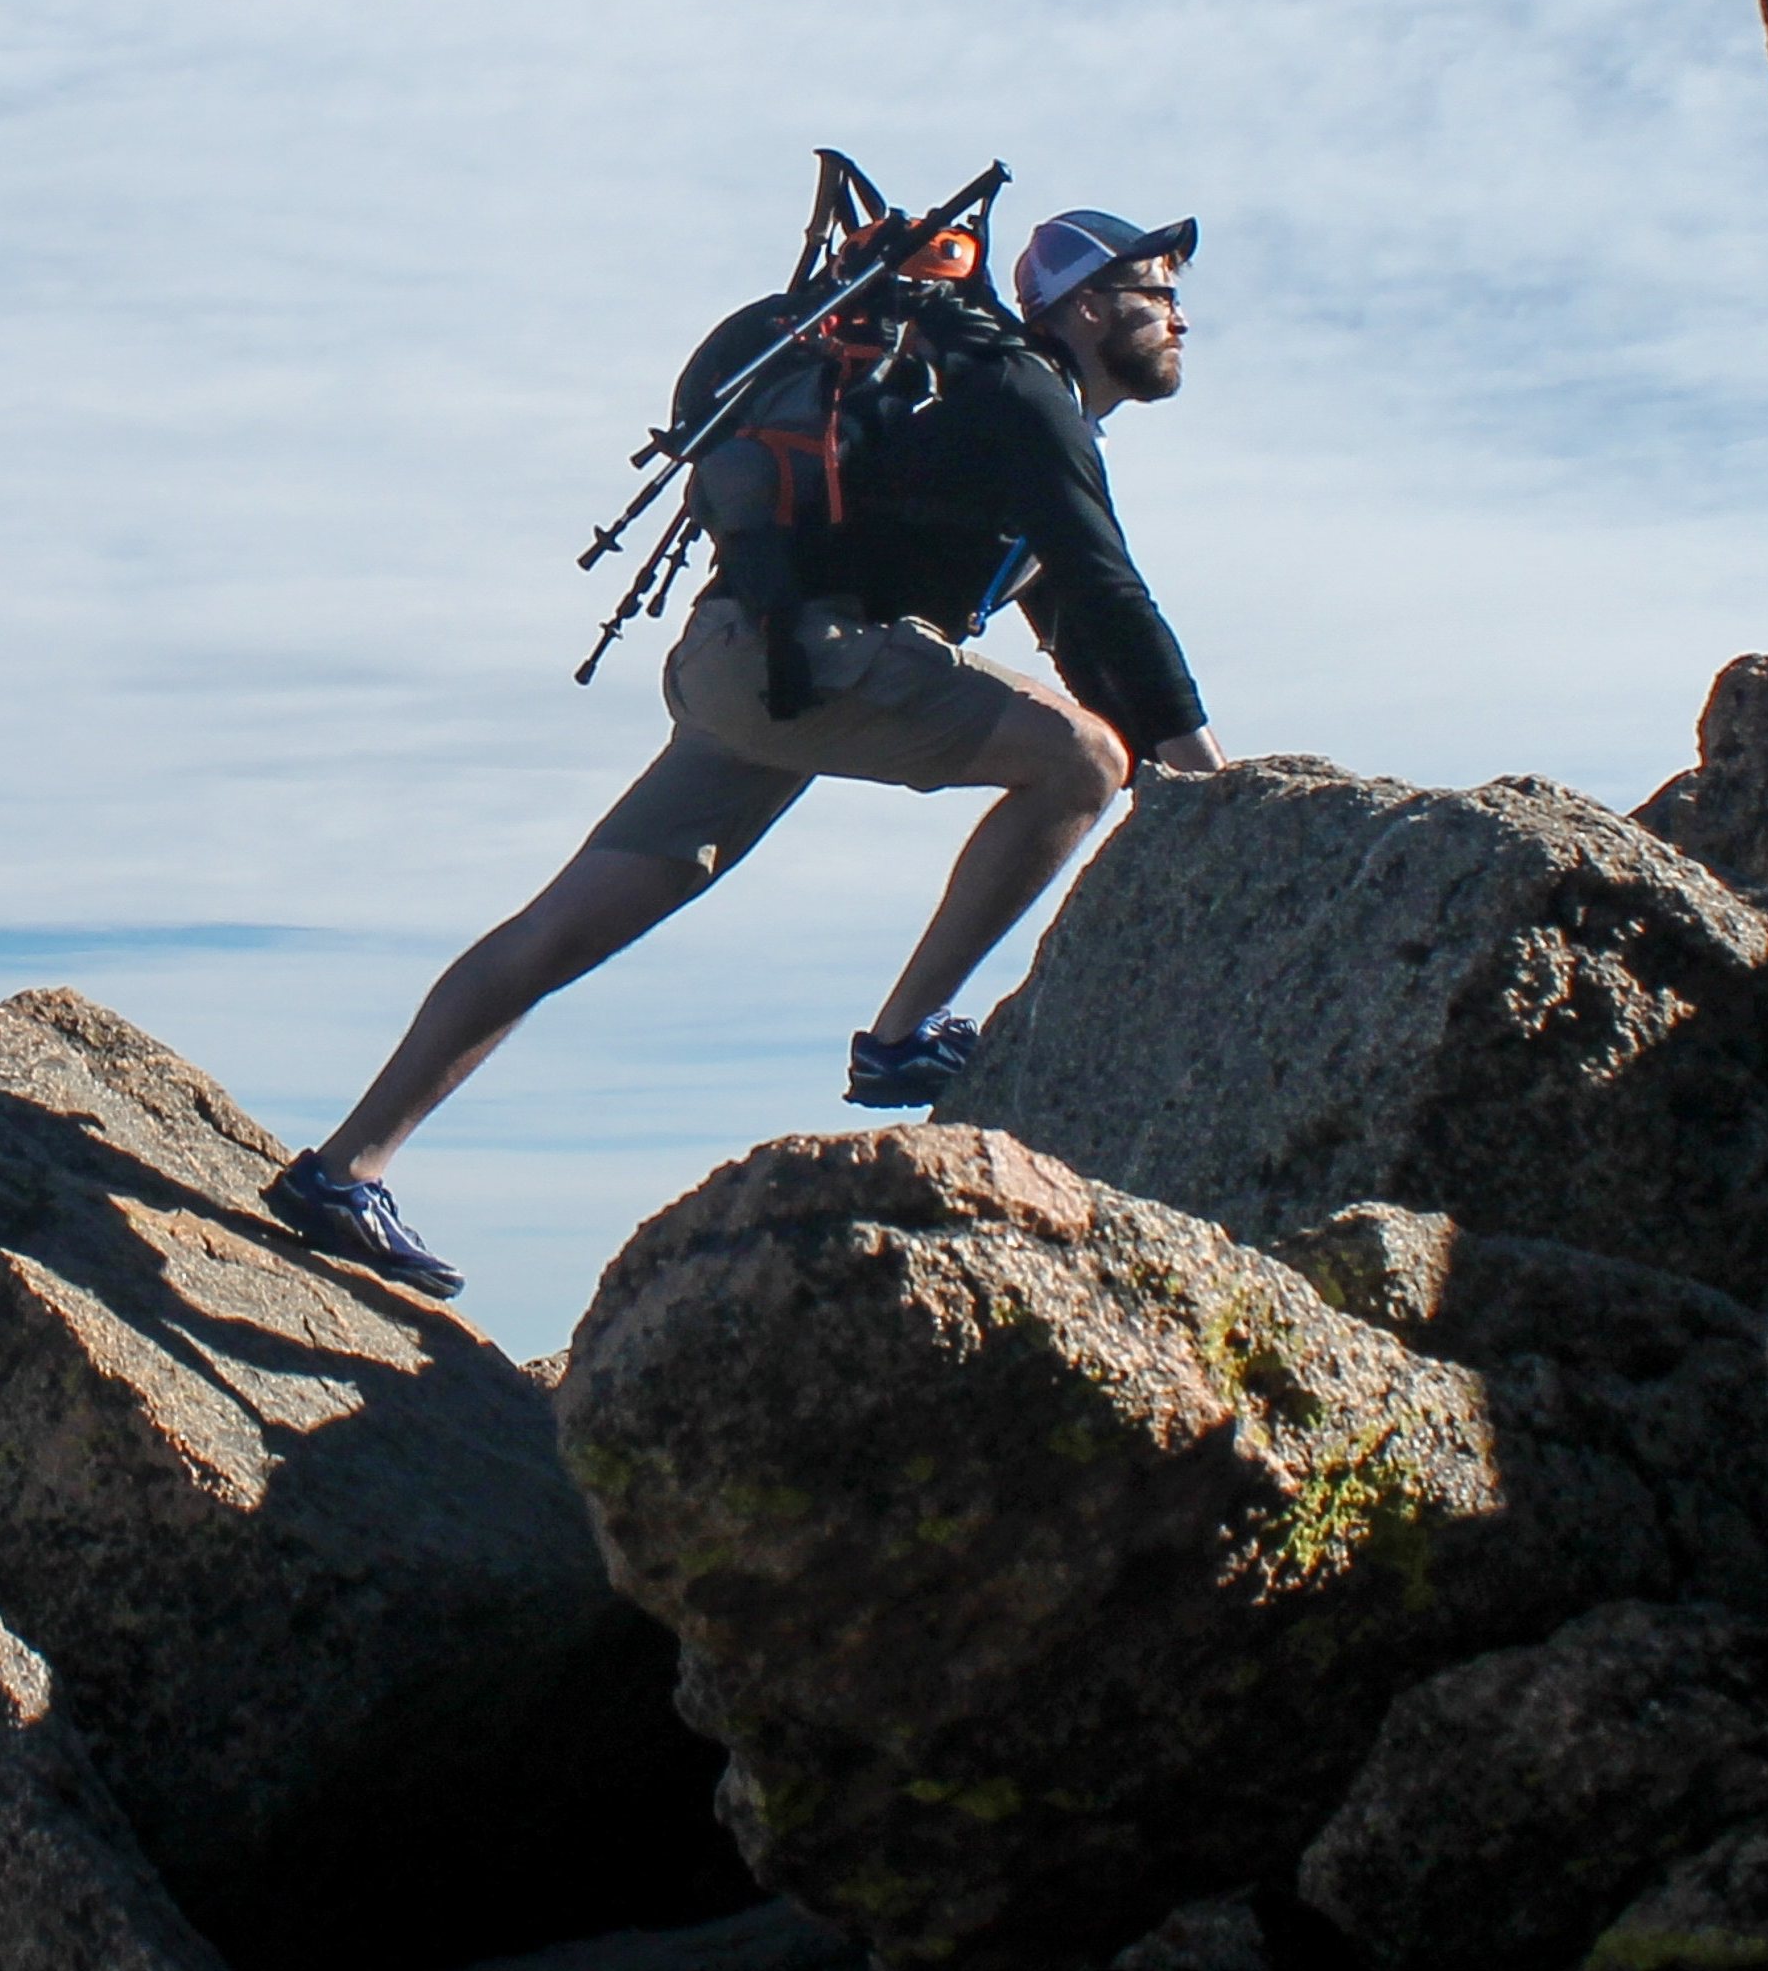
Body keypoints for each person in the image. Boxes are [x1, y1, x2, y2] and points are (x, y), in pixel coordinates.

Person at [263, 205, 1225, 1299]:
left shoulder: (1006, 408)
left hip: (749, 664)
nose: (1181, 317)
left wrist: (1187, 776)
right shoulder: (1022, 396)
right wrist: (1217, 787)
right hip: (795, 658)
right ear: (1088, 306)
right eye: (1160, 294)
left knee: (559, 930)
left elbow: (1087, 631)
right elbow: (1111, 592)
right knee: (1080, 762)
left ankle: (345, 1169)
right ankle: (903, 1037)